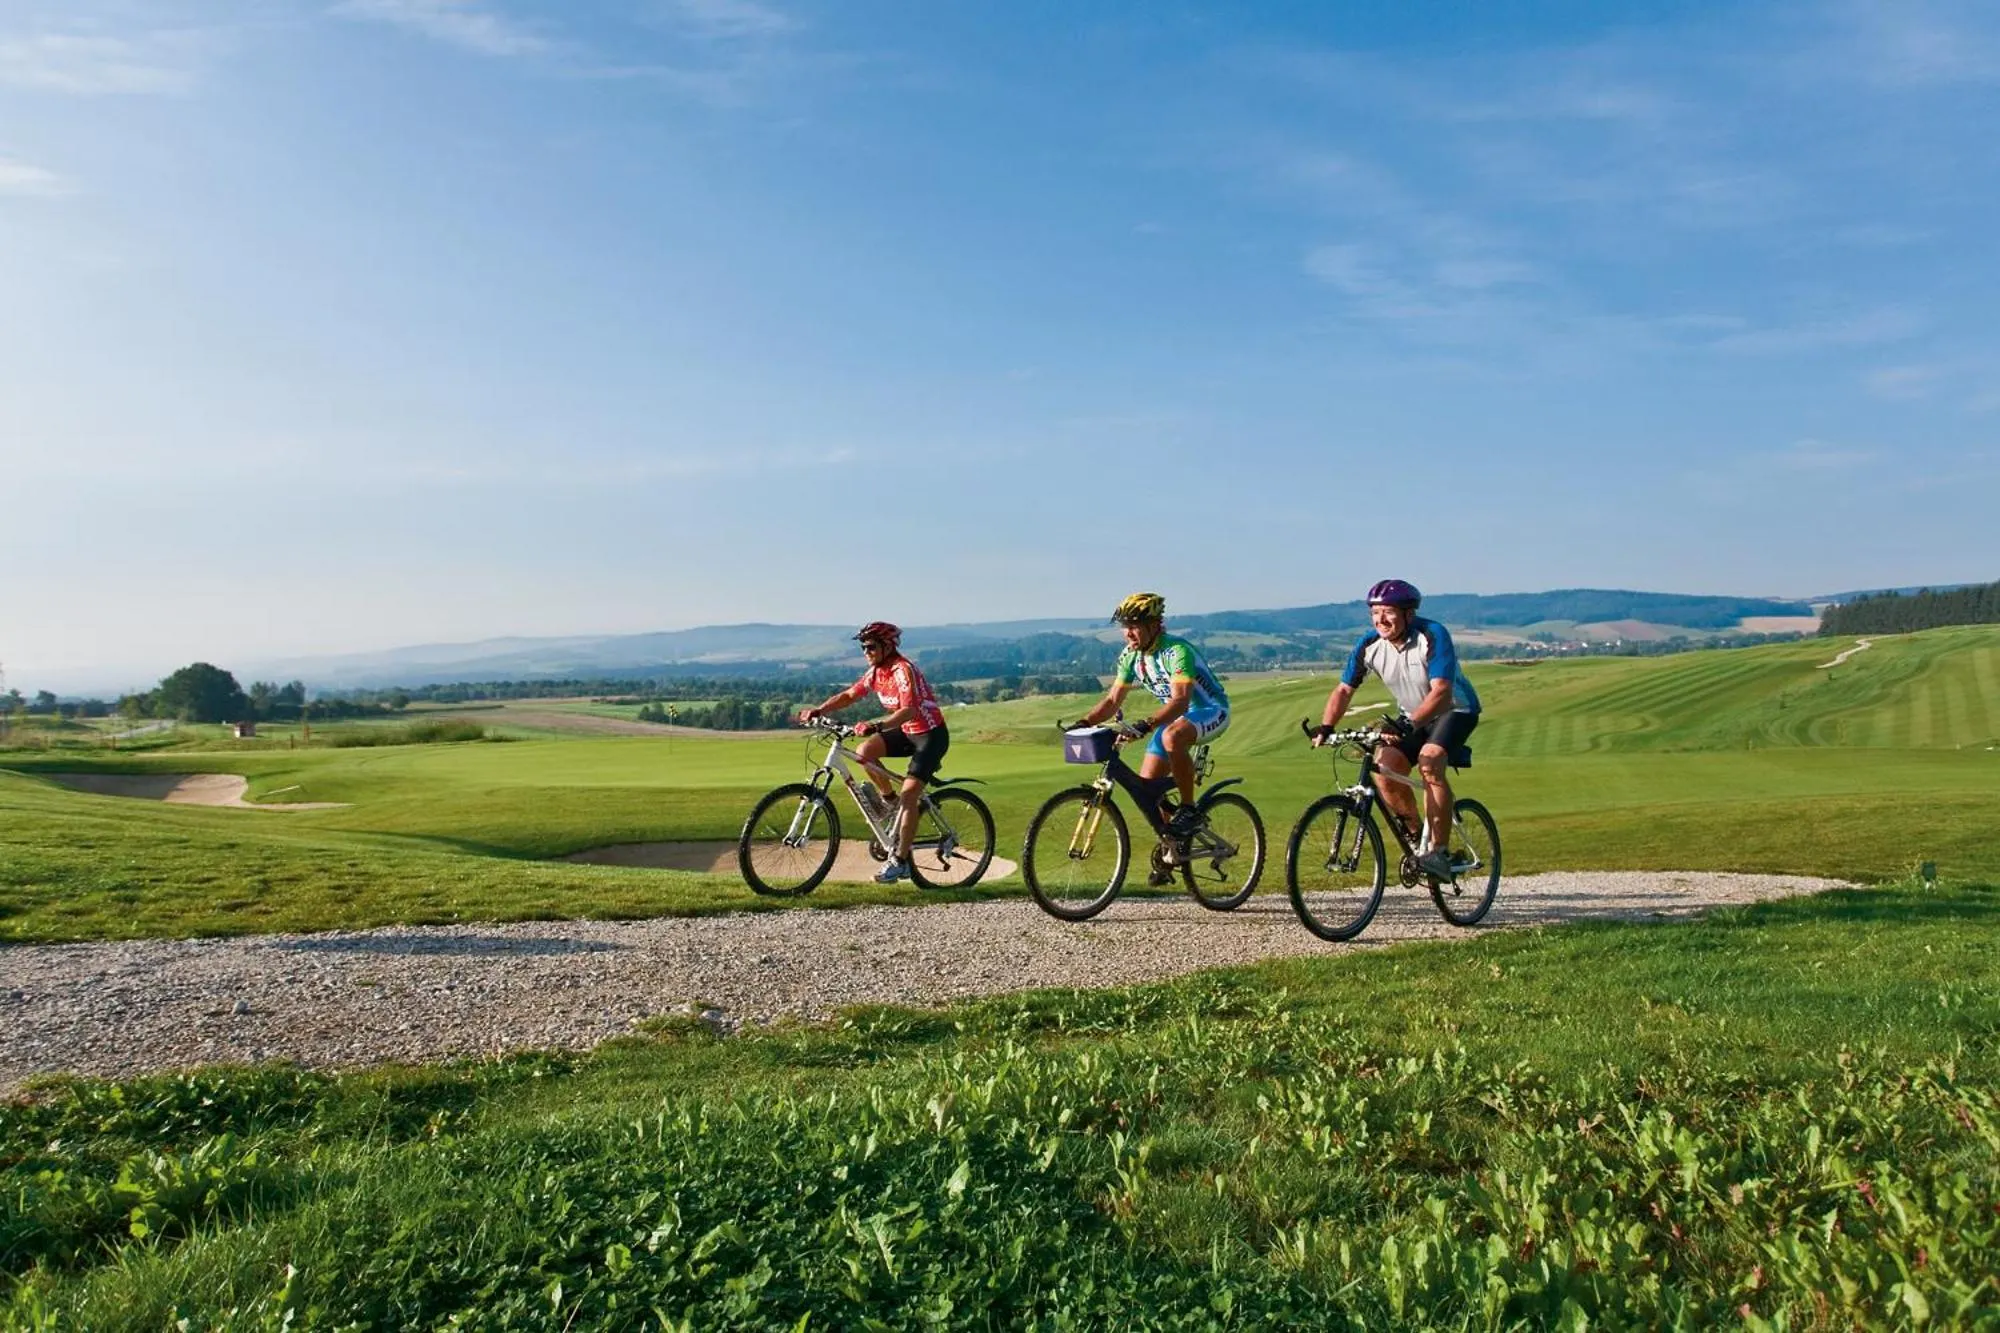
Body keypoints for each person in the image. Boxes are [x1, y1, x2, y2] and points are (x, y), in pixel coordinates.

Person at [1314, 579, 1481, 880]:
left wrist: (1408, 724)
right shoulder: (1369, 645)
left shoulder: (1432, 635)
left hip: (1454, 710)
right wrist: (1326, 727)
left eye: (1388, 612)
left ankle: (1439, 853)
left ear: (1408, 613)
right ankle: (1419, 840)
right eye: (1375, 613)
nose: (1380, 620)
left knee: (1430, 762)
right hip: (1412, 715)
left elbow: (1441, 691)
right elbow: (1343, 691)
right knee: (1384, 769)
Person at [1069, 593, 1230, 872]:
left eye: (1135, 626)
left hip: (1211, 711)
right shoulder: (1131, 656)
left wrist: (1146, 724)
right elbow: (1111, 702)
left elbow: (1180, 701)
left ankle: (1189, 809)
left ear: (1155, 625)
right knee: (1147, 789)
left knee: (1172, 737)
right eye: (1124, 626)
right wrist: (1084, 723)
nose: (1128, 633)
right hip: (1173, 720)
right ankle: (1173, 850)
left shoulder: (1177, 651)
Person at [800, 622, 949, 885]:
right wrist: (820, 710)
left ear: (887, 646)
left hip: (930, 735)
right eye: (863, 647)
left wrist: (875, 726)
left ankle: (901, 862)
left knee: (910, 795)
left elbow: (910, 710)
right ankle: (889, 801)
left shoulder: (903, 670)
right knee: (864, 752)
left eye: (870, 646)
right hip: (905, 732)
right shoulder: (876, 672)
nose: (866, 651)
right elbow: (849, 695)